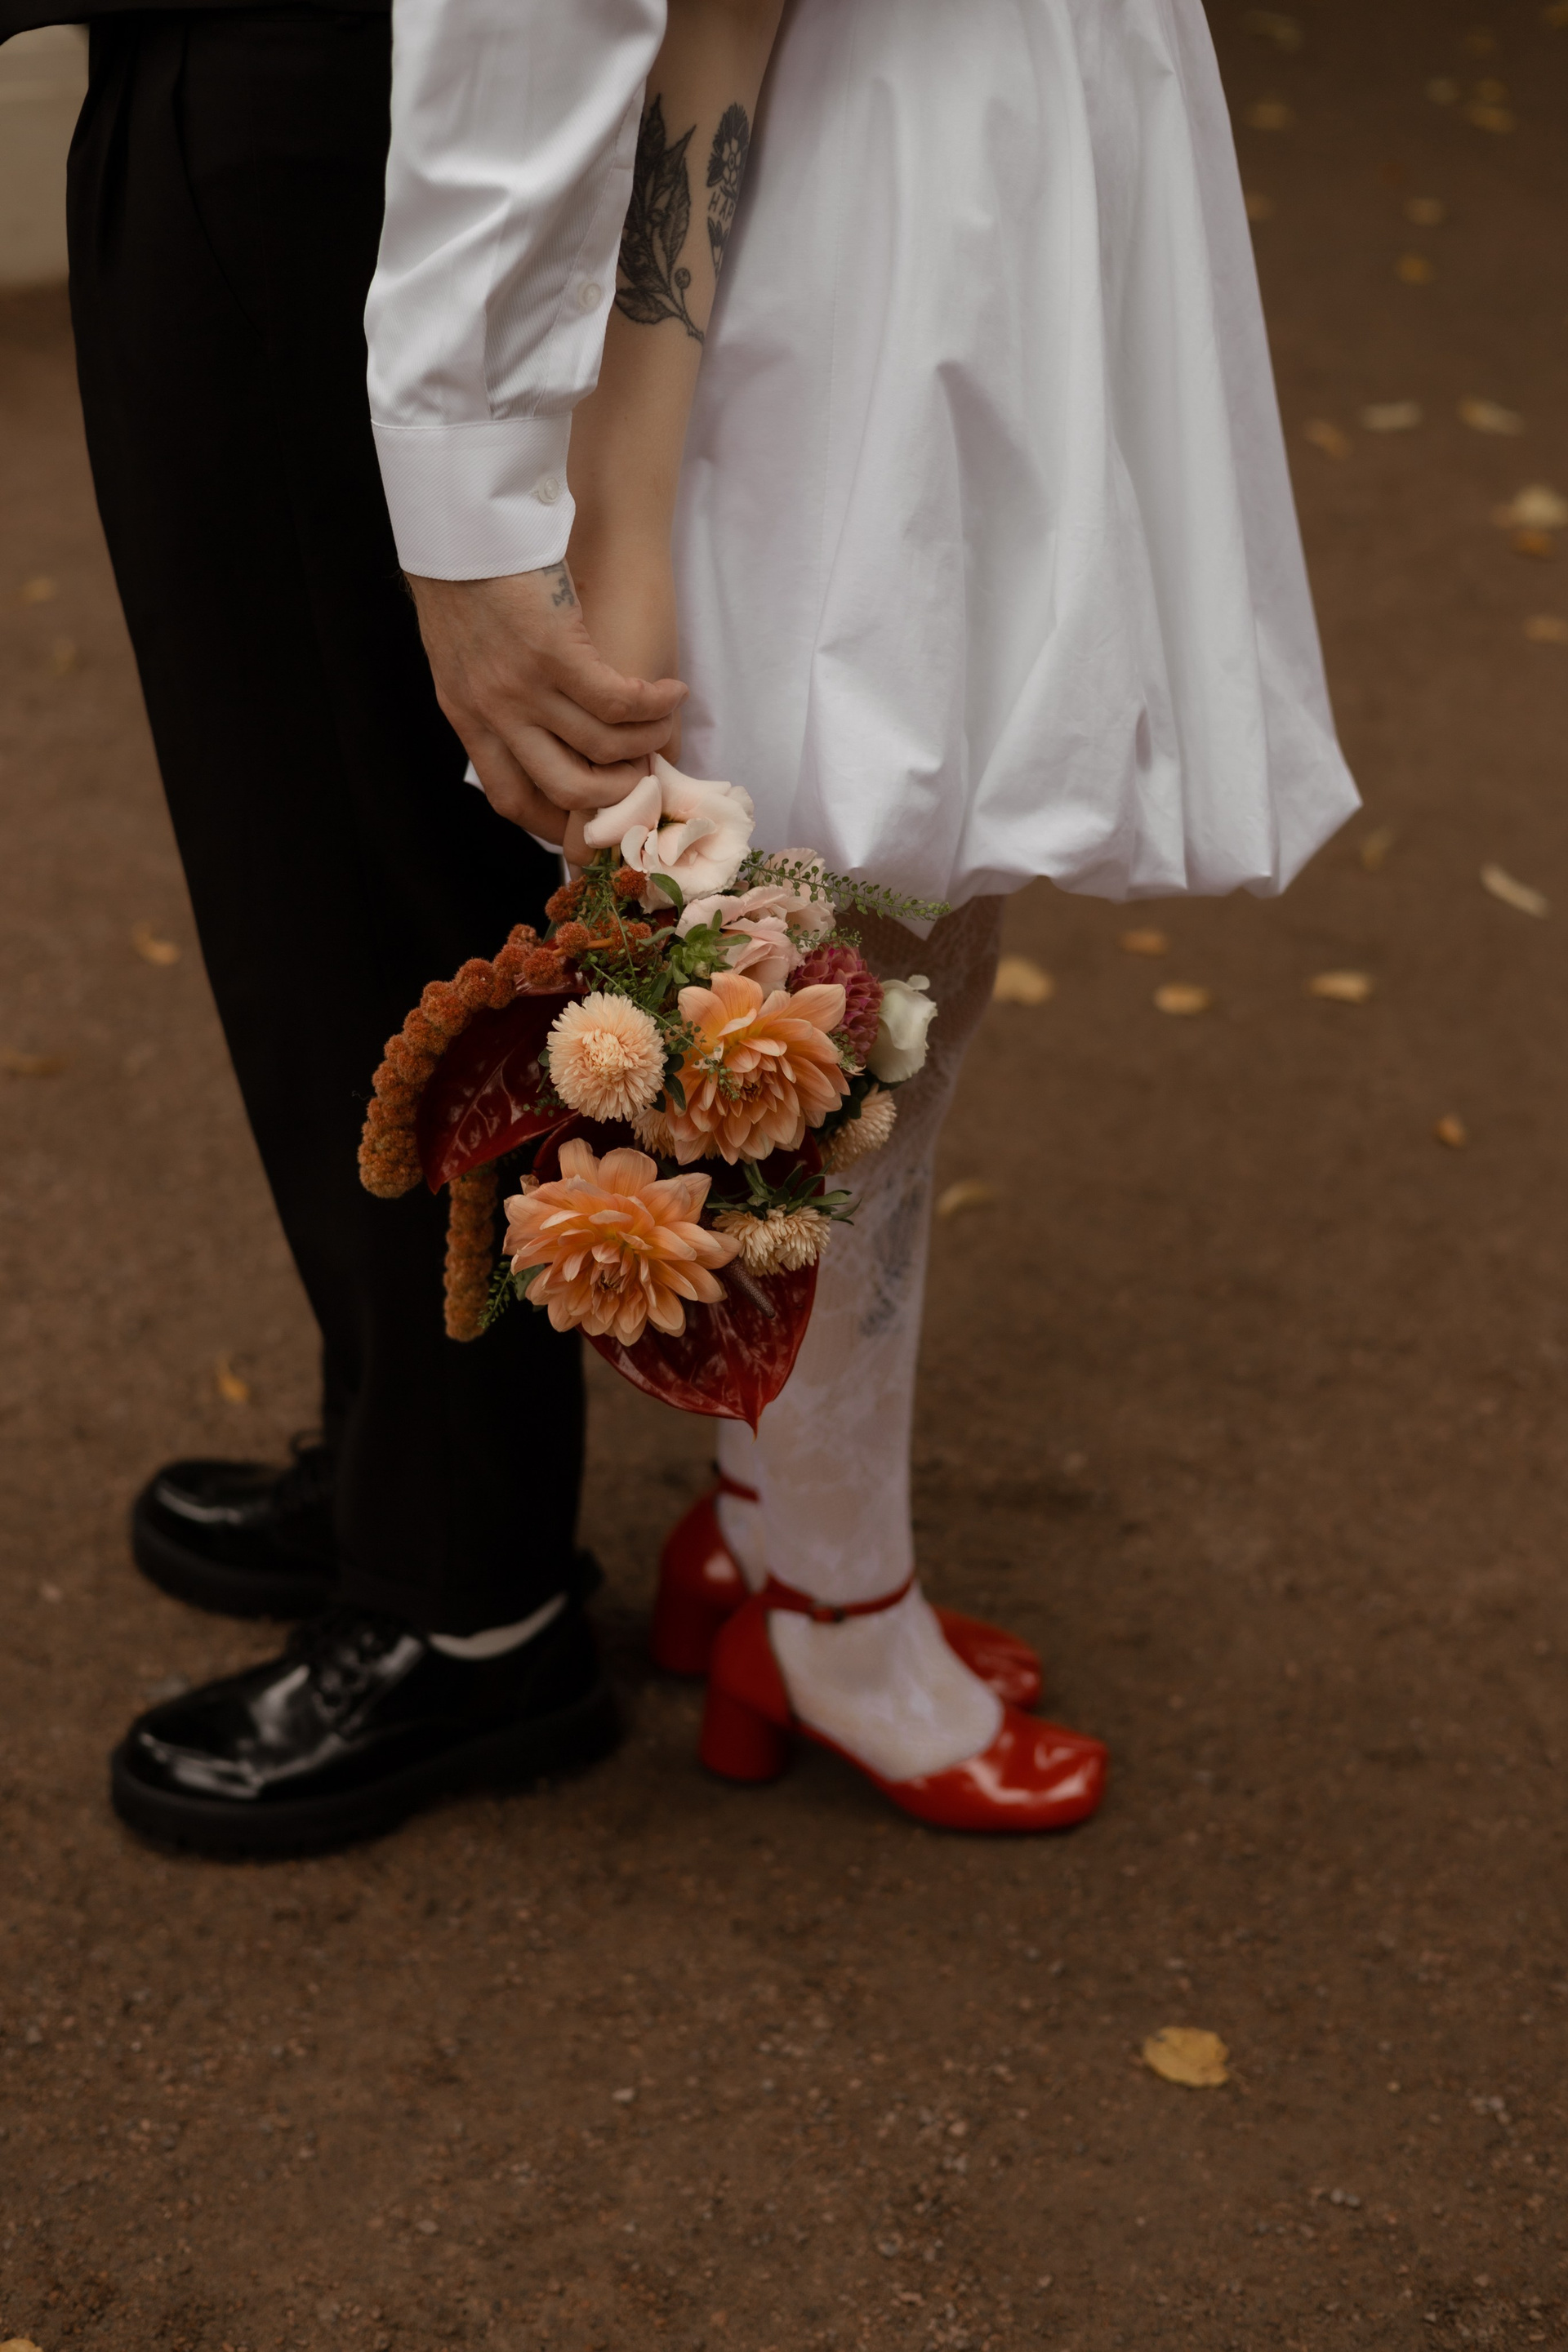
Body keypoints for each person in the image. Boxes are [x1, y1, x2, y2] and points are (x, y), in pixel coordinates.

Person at [12, 0, 1355, 1850]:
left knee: (845, 891)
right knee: (823, 877)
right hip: (917, 155)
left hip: (913, 158)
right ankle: (772, 1545)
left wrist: (538, 502)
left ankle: (762, 1575)